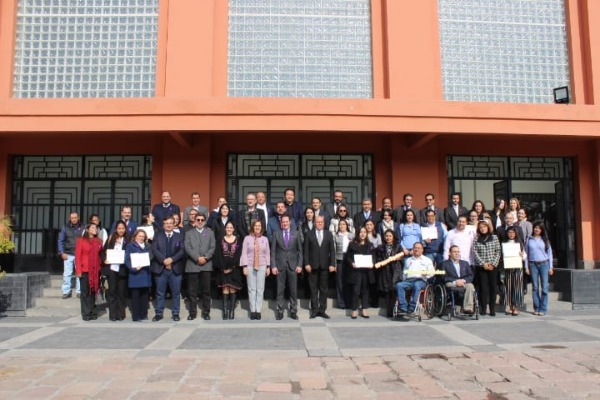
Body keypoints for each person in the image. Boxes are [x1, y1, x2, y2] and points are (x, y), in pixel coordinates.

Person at [151, 216, 186, 322]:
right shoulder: (158, 235)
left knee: (176, 292)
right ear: (163, 225)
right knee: (160, 292)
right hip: (160, 268)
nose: (169, 225)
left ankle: (175, 313)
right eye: (167, 223)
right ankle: (158, 313)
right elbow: (154, 249)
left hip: (175, 268)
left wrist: (171, 260)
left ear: (174, 224)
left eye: (171, 223)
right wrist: (164, 260)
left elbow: (182, 250)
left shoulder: (179, 236)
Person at [270, 215, 303, 320]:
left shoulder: (296, 233)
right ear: (281, 223)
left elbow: (300, 251)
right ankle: (280, 311)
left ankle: (293, 311)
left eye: (286, 221)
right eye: (283, 222)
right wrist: (273, 266)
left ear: (290, 222)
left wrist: (299, 265)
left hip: (293, 266)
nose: (284, 223)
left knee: (293, 290)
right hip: (280, 266)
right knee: (280, 290)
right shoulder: (276, 234)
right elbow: (273, 251)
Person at [184, 214, 216, 320]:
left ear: (205, 221)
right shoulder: (188, 233)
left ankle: (206, 312)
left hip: (206, 265)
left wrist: (205, 257)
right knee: (192, 292)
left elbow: (212, 247)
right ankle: (192, 313)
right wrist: (197, 258)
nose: (200, 221)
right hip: (193, 265)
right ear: (195, 221)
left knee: (206, 291)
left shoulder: (210, 233)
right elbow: (187, 247)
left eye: (202, 220)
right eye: (198, 219)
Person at [303, 215, 336, 319]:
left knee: (324, 289)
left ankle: (322, 310)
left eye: (321, 222)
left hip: (325, 266)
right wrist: (306, 264)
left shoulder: (328, 234)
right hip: (312, 266)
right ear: (314, 223)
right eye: (318, 222)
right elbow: (306, 250)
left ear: (324, 223)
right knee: (313, 289)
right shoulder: (309, 234)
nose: (320, 223)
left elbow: (332, 250)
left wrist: (332, 264)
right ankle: (314, 310)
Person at [240, 220, 270, 320]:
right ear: (252, 227)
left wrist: (268, 266)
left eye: (259, 226)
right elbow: (244, 253)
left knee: (260, 289)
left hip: (262, 266)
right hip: (250, 266)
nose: (257, 227)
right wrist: (244, 266)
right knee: (251, 289)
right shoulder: (247, 238)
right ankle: (253, 310)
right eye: (255, 226)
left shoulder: (265, 239)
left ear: (261, 227)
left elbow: (267, 253)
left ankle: (258, 310)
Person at [213, 221, 243, 320]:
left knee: (233, 288)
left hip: (234, 269)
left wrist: (231, 267)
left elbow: (238, 254)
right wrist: (223, 267)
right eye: (227, 227)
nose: (229, 229)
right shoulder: (220, 239)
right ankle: (225, 311)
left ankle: (231, 311)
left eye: (231, 227)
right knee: (225, 289)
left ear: (233, 229)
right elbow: (218, 254)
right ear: (225, 229)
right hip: (223, 269)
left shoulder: (238, 240)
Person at [394, 242, 435, 314]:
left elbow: (432, 272)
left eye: (419, 248)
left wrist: (426, 273)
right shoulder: (408, 260)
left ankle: (412, 307)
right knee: (399, 285)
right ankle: (403, 306)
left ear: (422, 250)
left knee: (417, 285)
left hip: (421, 280)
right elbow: (404, 272)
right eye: (415, 248)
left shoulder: (427, 260)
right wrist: (404, 280)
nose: (417, 249)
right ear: (413, 249)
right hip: (409, 280)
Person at [75, 224, 103, 321]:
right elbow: (78, 256)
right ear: (87, 230)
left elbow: (101, 255)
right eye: (92, 228)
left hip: (95, 270)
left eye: (96, 228)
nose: (95, 229)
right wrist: (78, 270)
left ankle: (93, 311)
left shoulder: (99, 241)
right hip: (85, 270)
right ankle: (86, 313)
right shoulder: (81, 241)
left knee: (93, 291)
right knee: (85, 292)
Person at [102, 220, 130, 321]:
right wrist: (105, 259)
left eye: (123, 228)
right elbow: (103, 252)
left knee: (121, 292)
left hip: (123, 269)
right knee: (112, 291)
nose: (121, 230)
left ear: (125, 229)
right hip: (112, 269)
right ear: (116, 229)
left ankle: (121, 314)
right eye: (119, 228)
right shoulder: (111, 238)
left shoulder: (128, 239)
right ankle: (113, 315)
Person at [345, 226, 374, 319]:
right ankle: (354, 310)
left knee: (365, 291)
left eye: (364, 232)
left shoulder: (370, 245)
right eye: (361, 232)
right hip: (356, 271)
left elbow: (374, 256)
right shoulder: (352, 244)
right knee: (356, 291)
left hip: (366, 271)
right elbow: (347, 257)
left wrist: (372, 263)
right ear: (358, 233)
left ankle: (364, 309)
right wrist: (352, 263)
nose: (363, 234)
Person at [473, 220, 501, 316]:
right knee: (483, 288)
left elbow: (498, 251)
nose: (482, 229)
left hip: (493, 266)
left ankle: (492, 309)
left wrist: (493, 264)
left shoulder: (494, 237)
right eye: (480, 227)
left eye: (484, 227)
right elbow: (475, 253)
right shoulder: (476, 239)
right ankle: (483, 308)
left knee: (493, 287)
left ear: (488, 227)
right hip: (482, 267)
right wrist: (483, 264)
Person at [526, 222, 553, 316]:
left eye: (539, 228)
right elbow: (526, 254)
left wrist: (551, 266)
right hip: (533, 264)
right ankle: (536, 308)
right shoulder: (529, 239)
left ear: (542, 230)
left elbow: (550, 253)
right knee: (535, 287)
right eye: (535, 228)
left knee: (544, 287)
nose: (537, 229)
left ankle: (543, 308)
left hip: (544, 264)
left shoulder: (545, 240)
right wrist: (526, 267)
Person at [374, 229, 403, 318]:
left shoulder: (398, 246)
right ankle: (389, 312)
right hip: (385, 270)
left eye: (390, 236)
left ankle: (395, 310)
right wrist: (383, 261)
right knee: (387, 291)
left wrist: (399, 258)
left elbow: (402, 257)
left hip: (395, 271)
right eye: (386, 236)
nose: (388, 238)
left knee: (394, 290)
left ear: (393, 237)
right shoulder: (381, 247)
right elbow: (378, 258)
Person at [125, 229, 153, 322]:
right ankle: (136, 316)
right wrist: (133, 268)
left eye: (143, 236)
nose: (141, 238)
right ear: (135, 236)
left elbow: (151, 256)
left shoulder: (147, 246)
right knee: (135, 296)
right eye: (139, 236)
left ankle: (143, 315)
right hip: (135, 274)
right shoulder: (130, 246)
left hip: (145, 273)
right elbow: (127, 260)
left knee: (144, 296)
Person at [440, 245, 475, 314]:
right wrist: (455, 282)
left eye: (458, 252)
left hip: (463, 283)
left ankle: (468, 308)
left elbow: (470, 276)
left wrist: (463, 281)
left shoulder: (465, 263)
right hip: (451, 283)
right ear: (450, 253)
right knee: (449, 285)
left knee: (470, 286)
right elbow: (443, 277)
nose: (457, 253)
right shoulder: (444, 264)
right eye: (454, 252)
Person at [58, 211, 84, 299]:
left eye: (75, 218)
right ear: (70, 218)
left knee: (79, 273)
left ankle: (79, 291)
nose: (74, 219)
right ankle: (66, 291)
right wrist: (61, 252)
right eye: (72, 218)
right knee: (67, 274)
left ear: (78, 218)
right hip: (68, 253)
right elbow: (60, 240)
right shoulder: (65, 227)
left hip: (80, 254)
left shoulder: (83, 227)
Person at [502, 226, 526, 316]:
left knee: (517, 287)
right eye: (509, 232)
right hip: (507, 268)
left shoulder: (519, 243)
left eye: (513, 232)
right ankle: (509, 306)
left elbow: (525, 256)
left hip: (517, 268)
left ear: (516, 233)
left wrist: (522, 255)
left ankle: (516, 307)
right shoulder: (504, 243)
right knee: (508, 287)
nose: (511, 234)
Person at [333, 219, 354, 309]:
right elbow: (333, 250)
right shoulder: (336, 236)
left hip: (350, 260)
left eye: (344, 224)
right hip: (340, 259)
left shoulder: (352, 235)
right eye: (340, 224)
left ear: (347, 226)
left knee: (349, 281)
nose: (342, 226)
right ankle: (341, 303)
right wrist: (334, 264)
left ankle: (349, 302)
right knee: (340, 282)